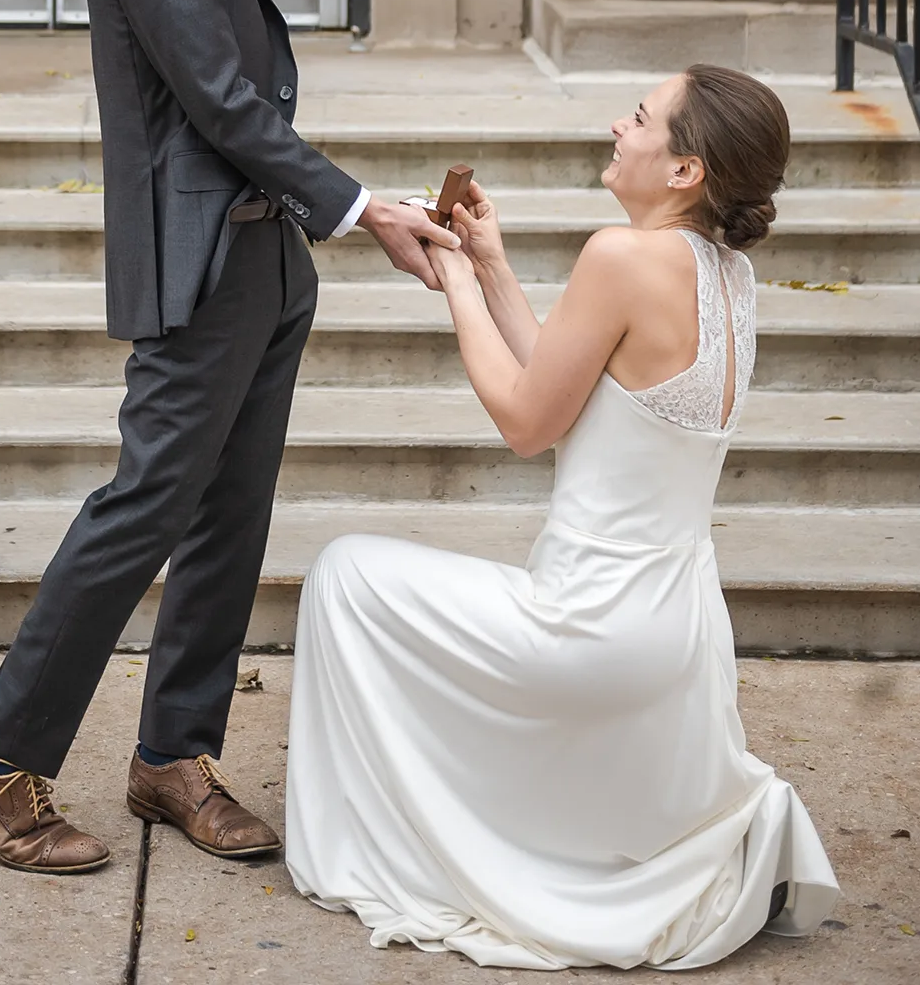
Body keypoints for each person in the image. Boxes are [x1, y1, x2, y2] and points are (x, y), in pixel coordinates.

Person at [0, 0, 457, 873]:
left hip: (263, 258)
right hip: (204, 263)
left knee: (230, 519)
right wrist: (364, 205)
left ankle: (174, 754)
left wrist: (312, 226)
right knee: (142, 510)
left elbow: (233, 107)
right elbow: (223, 103)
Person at [286, 64, 840, 969]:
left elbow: (525, 421)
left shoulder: (619, 256)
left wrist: (455, 279)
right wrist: (494, 265)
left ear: (683, 171)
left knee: (344, 574)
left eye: (639, 118)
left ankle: (389, 845)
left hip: (589, 624)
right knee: (372, 582)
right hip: (681, 640)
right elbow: (576, 386)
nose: (616, 126)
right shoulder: (727, 275)